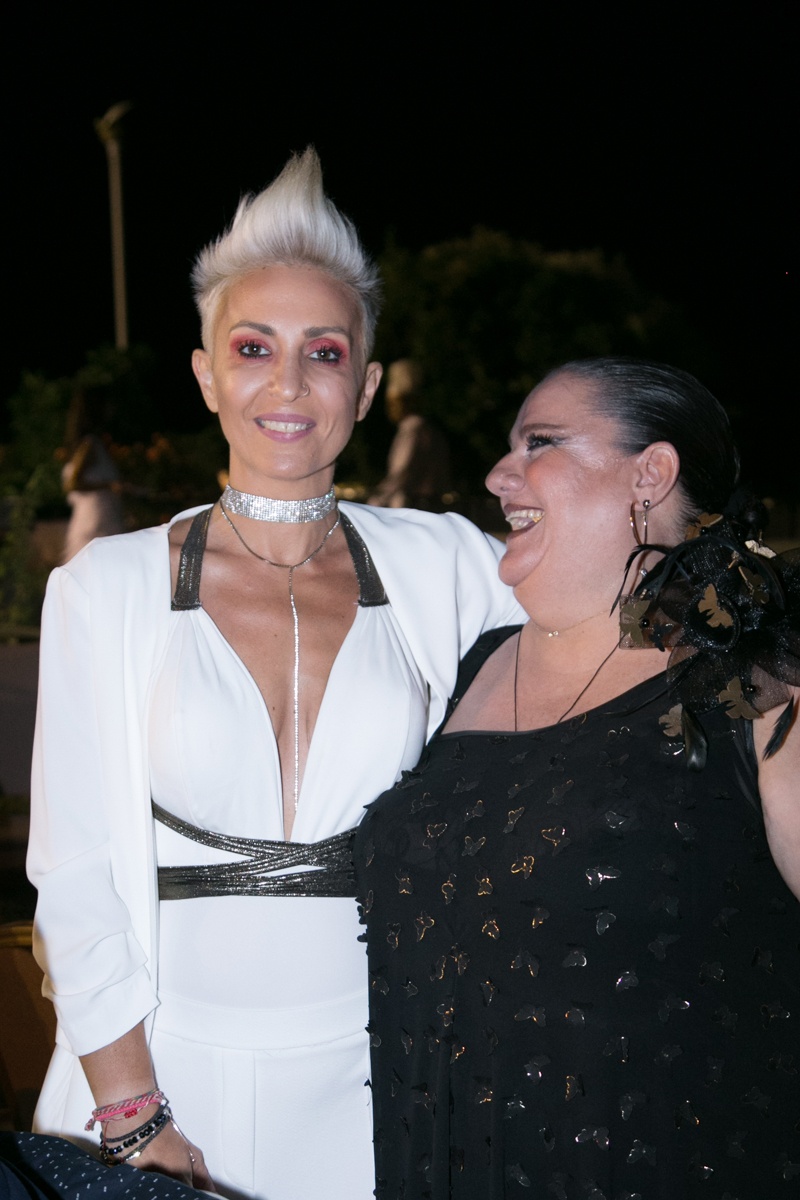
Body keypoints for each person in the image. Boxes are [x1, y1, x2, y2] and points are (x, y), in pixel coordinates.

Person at [27, 149, 522, 1200]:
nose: (288, 384)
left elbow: (617, 614)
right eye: (252, 348)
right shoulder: (105, 588)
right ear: (206, 374)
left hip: (375, 1088)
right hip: (155, 1083)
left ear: (367, 386)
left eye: (324, 352)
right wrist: (133, 1117)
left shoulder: (446, 564)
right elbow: (72, 875)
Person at [355, 358, 800, 1199]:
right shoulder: (471, 665)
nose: (499, 474)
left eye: (541, 443)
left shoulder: (757, 674)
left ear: (650, 473)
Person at [368, 359, 451, 509]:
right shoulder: (430, 430)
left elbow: (402, 474)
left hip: (411, 508)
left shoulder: (413, 431)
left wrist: (375, 501)